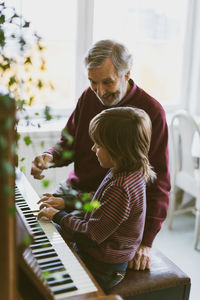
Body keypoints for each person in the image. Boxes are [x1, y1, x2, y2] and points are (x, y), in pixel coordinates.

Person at [31, 39, 171, 270]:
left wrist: (145, 242)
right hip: (79, 194)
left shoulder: (151, 112)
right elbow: (69, 142)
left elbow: (160, 181)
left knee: (55, 260)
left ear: (126, 74)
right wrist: (49, 156)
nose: (100, 92)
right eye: (93, 82)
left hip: (113, 204)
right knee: (34, 235)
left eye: (107, 82)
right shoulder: (89, 97)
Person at [38, 107, 156, 291]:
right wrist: (66, 202)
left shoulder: (121, 187)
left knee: (46, 268)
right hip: (97, 252)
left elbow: (91, 235)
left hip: (102, 267)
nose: (93, 148)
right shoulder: (122, 171)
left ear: (119, 150)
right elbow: (98, 200)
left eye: (99, 145)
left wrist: (58, 215)